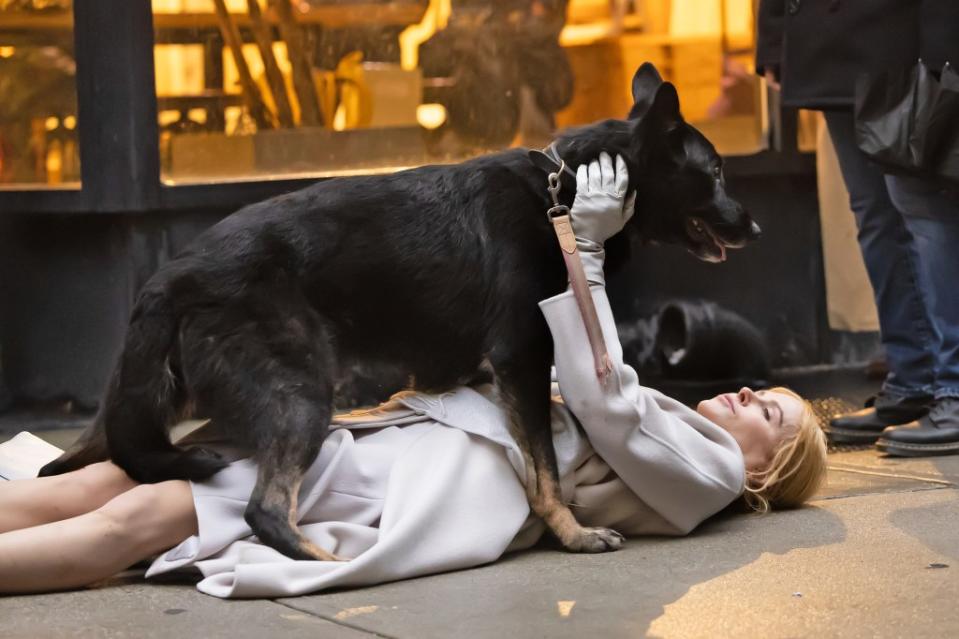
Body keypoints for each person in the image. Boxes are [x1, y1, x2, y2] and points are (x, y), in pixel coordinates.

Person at [0, 154, 827, 598]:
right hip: (398, 440)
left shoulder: (710, 477)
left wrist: (584, 248)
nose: (750, 394)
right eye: (766, 393)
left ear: (764, 471)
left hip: (420, 478)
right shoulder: (687, 439)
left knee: (140, 513)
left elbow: (600, 398)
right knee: (106, 482)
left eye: (774, 417)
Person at [756, 0, 959, 456]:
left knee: (923, 210)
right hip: (829, 41)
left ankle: (954, 388)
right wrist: (774, 38)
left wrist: (945, 48)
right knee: (875, 214)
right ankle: (913, 381)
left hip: (909, 39)